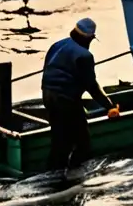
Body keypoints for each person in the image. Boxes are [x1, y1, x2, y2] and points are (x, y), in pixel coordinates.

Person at [41, 18, 118, 172]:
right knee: (83, 143)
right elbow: (91, 86)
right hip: (66, 100)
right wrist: (109, 106)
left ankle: (52, 174)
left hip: (47, 94)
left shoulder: (57, 45)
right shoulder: (84, 56)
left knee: (58, 140)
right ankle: (75, 176)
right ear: (89, 38)